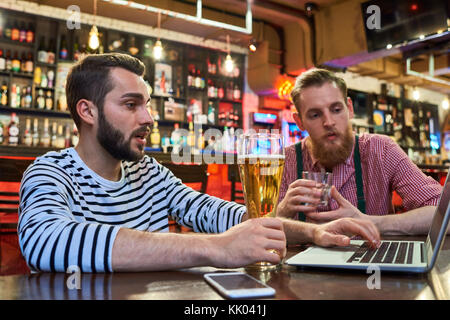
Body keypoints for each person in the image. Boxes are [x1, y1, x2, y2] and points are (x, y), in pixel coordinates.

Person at [18, 54, 379, 273]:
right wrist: (216, 247)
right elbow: (48, 241)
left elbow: (225, 216)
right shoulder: (51, 172)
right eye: (131, 105)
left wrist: (309, 232)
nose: (148, 118)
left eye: (147, 104)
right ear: (88, 111)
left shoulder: (148, 173)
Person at [277, 68, 444, 235]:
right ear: (299, 122)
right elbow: (254, 225)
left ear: (349, 108)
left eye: (336, 110)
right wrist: (281, 212)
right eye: (315, 115)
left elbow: (445, 214)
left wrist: (370, 222)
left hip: (371, 261)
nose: (328, 122)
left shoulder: (381, 150)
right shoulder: (285, 161)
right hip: (300, 262)